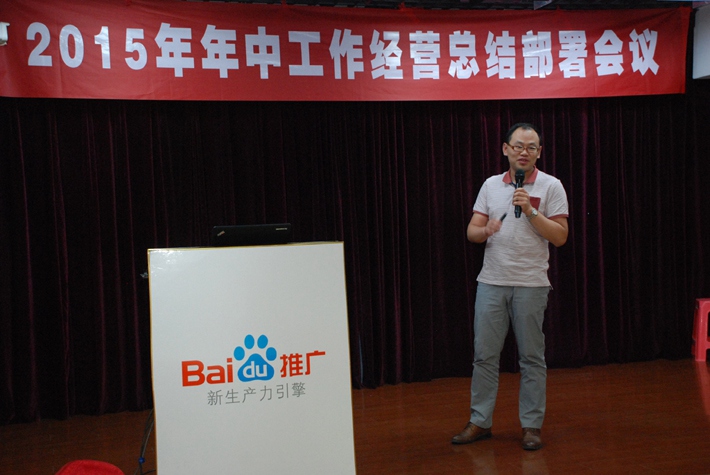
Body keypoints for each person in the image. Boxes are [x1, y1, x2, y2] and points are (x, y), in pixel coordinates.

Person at [451, 123, 569, 450]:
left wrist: (530, 210)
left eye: (531, 147)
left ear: (539, 153)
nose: (523, 152)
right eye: (518, 146)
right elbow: (472, 232)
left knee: (531, 358)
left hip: (531, 284)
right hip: (492, 282)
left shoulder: (552, 186)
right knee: (485, 356)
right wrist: (485, 230)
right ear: (506, 149)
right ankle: (479, 421)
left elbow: (560, 236)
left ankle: (531, 426)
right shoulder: (490, 185)